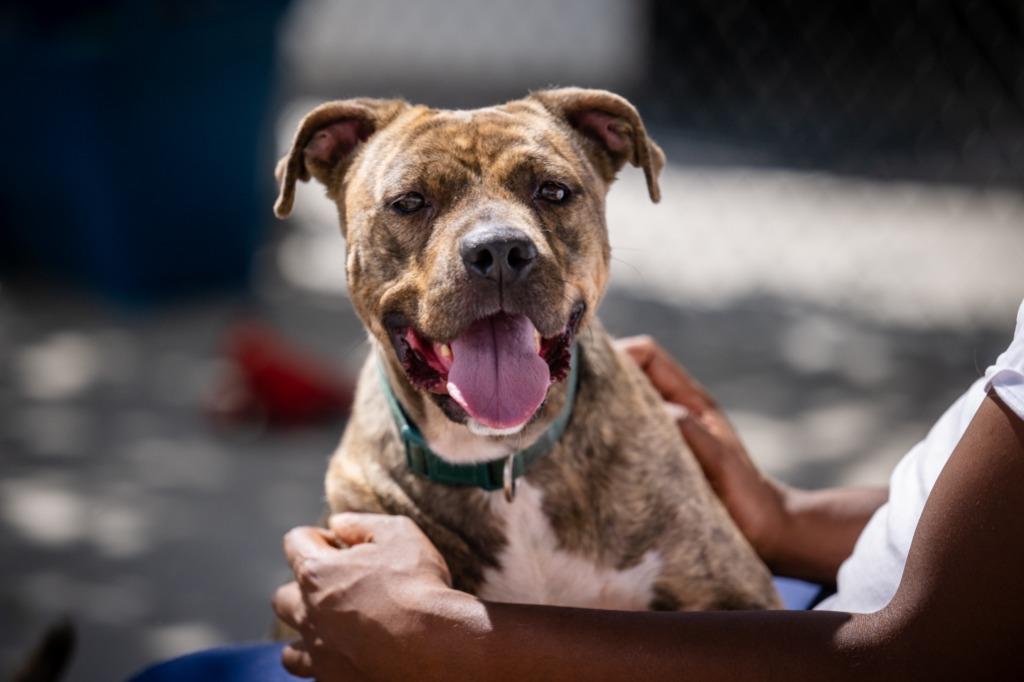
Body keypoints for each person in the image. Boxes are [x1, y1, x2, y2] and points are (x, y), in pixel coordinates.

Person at [130, 300, 1024, 681]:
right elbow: (984, 540)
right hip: (829, 602)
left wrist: (451, 642)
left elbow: (922, 664)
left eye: (552, 195)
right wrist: (785, 516)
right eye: (411, 205)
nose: (494, 242)